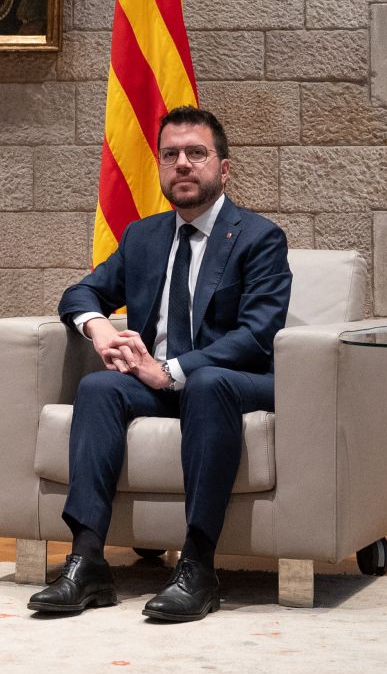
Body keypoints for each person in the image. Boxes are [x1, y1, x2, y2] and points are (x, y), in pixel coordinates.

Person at [28, 106, 292, 622]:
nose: (183, 165)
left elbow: (257, 335)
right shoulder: (143, 238)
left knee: (207, 382)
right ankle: (87, 563)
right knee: (101, 387)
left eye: (197, 153)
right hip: (157, 382)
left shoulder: (260, 238)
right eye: (170, 155)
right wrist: (98, 327)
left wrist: (172, 370)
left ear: (224, 167)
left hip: (234, 382)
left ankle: (198, 567)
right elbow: (80, 292)